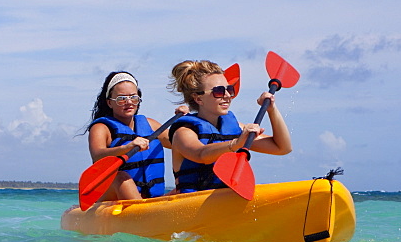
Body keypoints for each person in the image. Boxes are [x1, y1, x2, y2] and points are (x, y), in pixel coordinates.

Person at [167, 60, 292, 193]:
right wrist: (236, 143)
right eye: (219, 91)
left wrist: (271, 110)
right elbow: (200, 154)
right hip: (192, 206)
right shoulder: (184, 132)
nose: (227, 96)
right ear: (198, 99)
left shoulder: (235, 128)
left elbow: (282, 148)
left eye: (229, 89)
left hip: (225, 202)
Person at [84, 71, 184, 202]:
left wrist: (186, 121)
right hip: (115, 198)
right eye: (121, 98)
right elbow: (97, 156)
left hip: (152, 200)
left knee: (187, 186)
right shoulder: (102, 128)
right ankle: (141, 214)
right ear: (109, 102)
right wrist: (127, 147)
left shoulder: (151, 125)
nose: (129, 102)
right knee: (121, 178)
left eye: (133, 97)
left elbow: (181, 143)